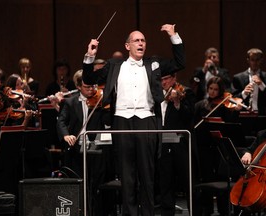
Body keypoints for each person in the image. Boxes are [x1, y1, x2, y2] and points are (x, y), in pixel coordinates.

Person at [82, 23, 185, 216]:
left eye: (143, 40)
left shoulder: (153, 63)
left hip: (147, 120)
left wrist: (173, 36)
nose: (141, 43)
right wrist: (90, 56)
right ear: (127, 46)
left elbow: (180, 62)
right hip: (122, 120)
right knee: (127, 175)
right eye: (136, 40)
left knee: (147, 174)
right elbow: (89, 78)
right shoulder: (114, 65)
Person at [56, 70, 110, 216]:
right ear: (78, 86)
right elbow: (61, 121)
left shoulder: (99, 101)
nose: (92, 89)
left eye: (93, 86)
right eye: (87, 87)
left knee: (96, 186)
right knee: (79, 185)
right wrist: (66, 136)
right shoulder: (69, 102)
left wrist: (106, 106)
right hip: (76, 149)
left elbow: (107, 121)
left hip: (95, 149)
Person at [194, 76, 242, 216]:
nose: (213, 92)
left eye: (216, 89)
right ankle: (207, 209)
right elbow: (195, 127)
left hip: (220, 149)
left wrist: (235, 111)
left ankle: (224, 210)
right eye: (211, 89)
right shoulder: (200, 105)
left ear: (221, 91)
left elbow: (231, 126)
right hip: (205, 148)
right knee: (207, 179)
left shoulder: (225, 106)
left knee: (222, 179)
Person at [159, 71, 198, 216]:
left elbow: (189, 116)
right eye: (161, 79)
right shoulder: (157, 94)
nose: (164, 82)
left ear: (174, 78)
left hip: (181, 144)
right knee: (165, 182)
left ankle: (194, 212)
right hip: (163, 143)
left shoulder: (185, 92)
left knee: (187, 182)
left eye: (166, 79)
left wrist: (177, 102)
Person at [0, 91, 33, 193]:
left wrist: (26, 119)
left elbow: (19, 131)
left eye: (1, 100)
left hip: (5, 163)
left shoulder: (8, 118)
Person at [232, 48, 266, 115]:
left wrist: (262, 85)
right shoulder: (238, 78)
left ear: (261, 60)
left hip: (262, 116)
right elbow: (232, 99)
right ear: (248, 60)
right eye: (252, 60)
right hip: (243, 115)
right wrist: (244, 93)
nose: (254, 63)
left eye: (257, 60)